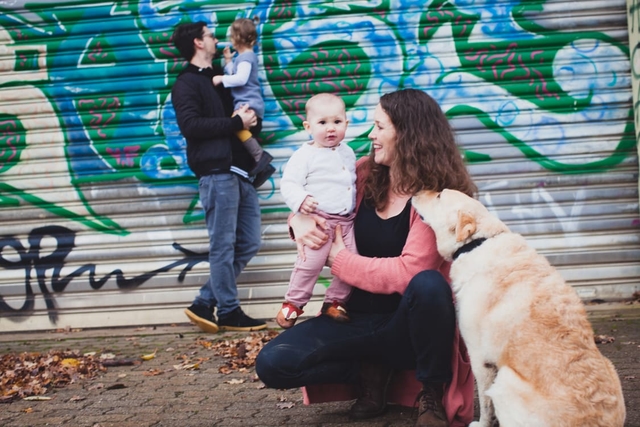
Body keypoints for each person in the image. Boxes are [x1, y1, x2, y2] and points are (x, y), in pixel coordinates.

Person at [256, 89, 477, 427]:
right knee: (273, 363)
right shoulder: (360, 173)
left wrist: (339, 258)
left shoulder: (438, 195)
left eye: (379, 127)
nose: (370, 135)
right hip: (352, 318)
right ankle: (368, 370)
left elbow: (410, 271)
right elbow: (323, 207)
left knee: (430, 284)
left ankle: (430, 390)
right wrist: (297, 220)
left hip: (406, 327)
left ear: (407, 134)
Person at [171, 21, 267, 333]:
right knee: (223, 246)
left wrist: (250, 121)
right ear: (199, 43)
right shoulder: (186, 83)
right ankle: (228, 309)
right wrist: (234, 121)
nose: (216, 39)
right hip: (216, 173)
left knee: (249, 242)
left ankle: (203, 302)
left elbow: (237, 122)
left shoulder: (221, 80)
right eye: (211, 35)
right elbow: (192, 126)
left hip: (241, 172)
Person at [276, 93, 357, 329]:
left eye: (337, 122)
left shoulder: (348, 152)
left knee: (350, 265)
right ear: (308, 126)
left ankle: (334, 302)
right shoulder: (304, 156)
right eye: (322, 123)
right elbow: (289, 184)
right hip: (318, 222)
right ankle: (294, 303)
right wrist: (301, 202)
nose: (330, 129)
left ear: (346, 124)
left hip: (346, 222)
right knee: (309, 264)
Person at [212, 17, 274, 188]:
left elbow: (240, 78)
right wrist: (228, 61)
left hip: (248, 103)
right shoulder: (243, 57)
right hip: (246, 102)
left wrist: (220, 78)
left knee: (236, 125)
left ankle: (259, 156)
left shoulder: (247, 57)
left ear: (236, 37)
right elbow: (236, 73)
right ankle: (259, 168)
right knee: (237, 132)